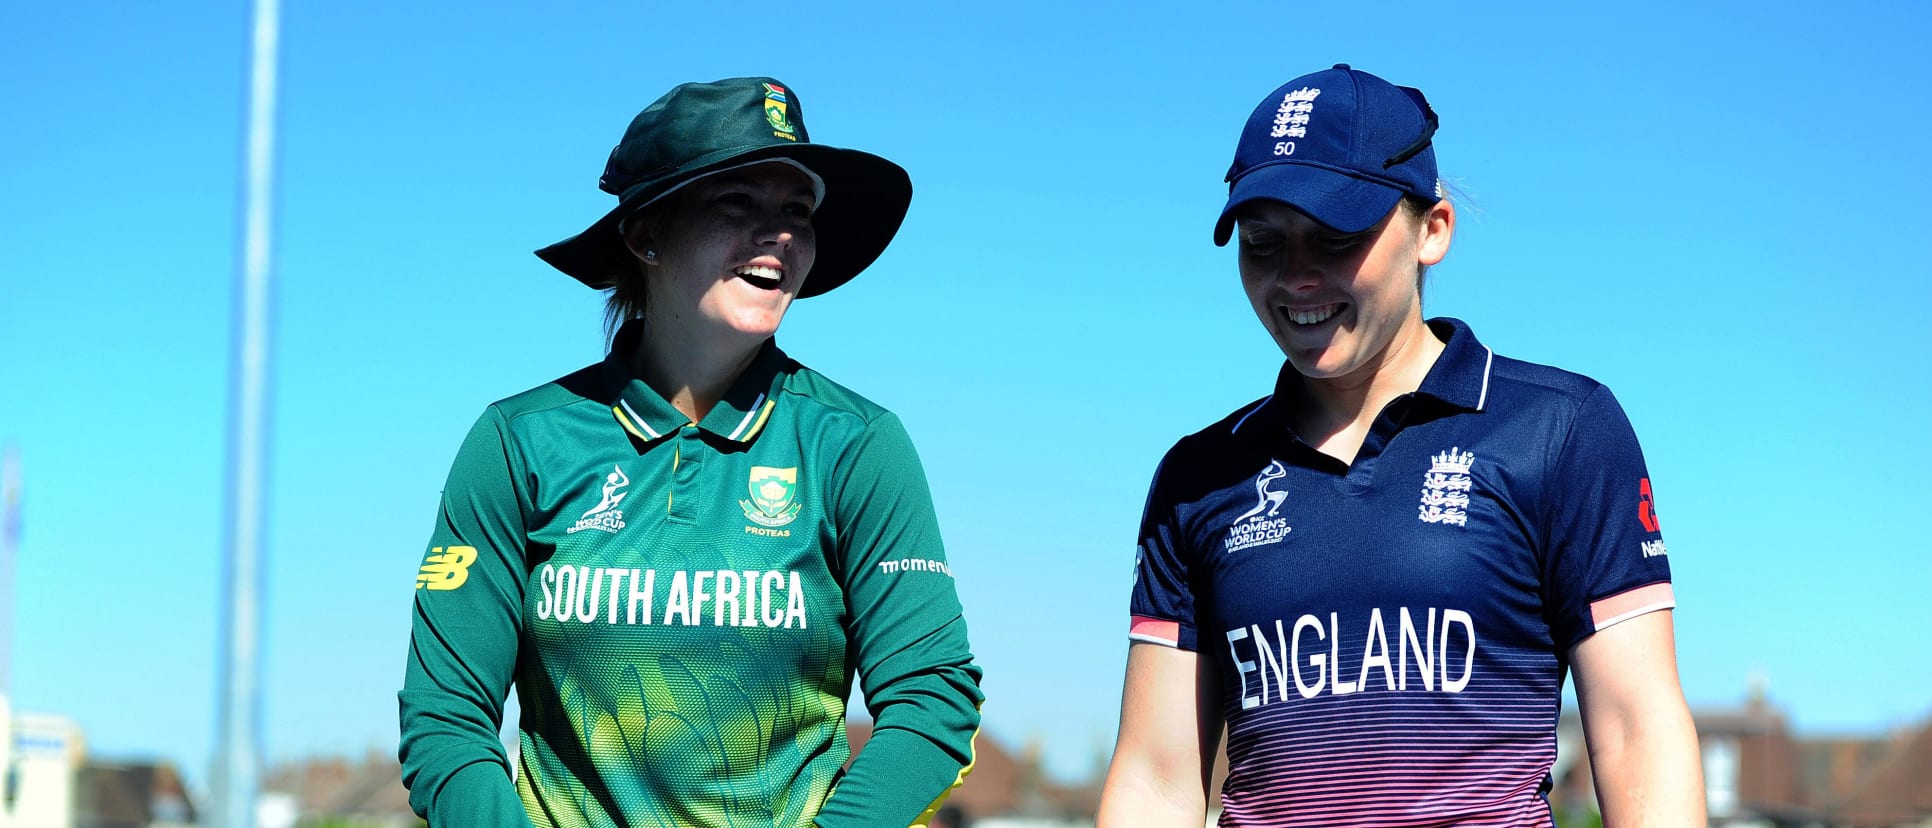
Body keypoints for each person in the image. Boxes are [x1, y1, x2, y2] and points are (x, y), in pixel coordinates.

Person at [1097, 65, 1704, 827]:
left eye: (1337, 238)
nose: (1297, 277)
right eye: (1262, 244)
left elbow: (1635, 731)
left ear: (1434, 230)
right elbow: (1156, 776)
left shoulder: (1560, 429)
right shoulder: (1199, 476)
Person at [399, 76, 984, 828]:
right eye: (737, 203)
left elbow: (932, 699)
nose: (779, 233)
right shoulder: (518, 442)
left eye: (797, 211)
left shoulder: (857, 446)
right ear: (646, 235)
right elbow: (445, 719)